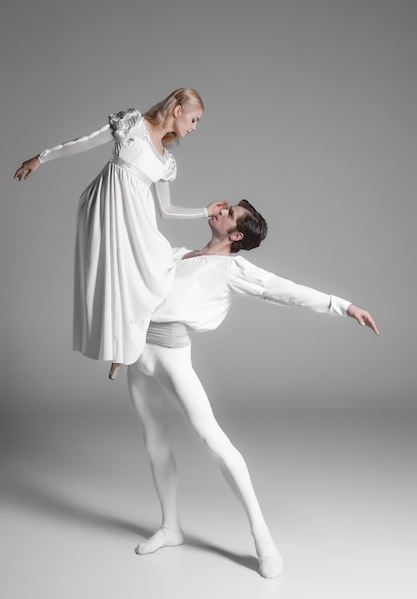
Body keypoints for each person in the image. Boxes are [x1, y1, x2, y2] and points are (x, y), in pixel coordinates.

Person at [127, 200, 379, 579]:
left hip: (171, 354)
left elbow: (285, 290)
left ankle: (263, 539)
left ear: (236, 235)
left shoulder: (233, 268)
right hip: (137, 353)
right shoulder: (180, 254)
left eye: (229, 213)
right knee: (154, 439)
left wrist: (341, 305)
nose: (221, 209)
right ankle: (171, 527)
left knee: (214, 441)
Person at [14, 88, 227, 379]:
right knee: (115, 274)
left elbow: (165, 209)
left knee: (150, 267)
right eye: (194, 119)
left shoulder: (166, 161)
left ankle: (126, 347)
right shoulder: (134, 125)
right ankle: (120, 347)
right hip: (105, 206)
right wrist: (41, 158)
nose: (194, 127)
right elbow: (86, 142)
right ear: (178, 110)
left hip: (135, 217)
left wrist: (204, 211)